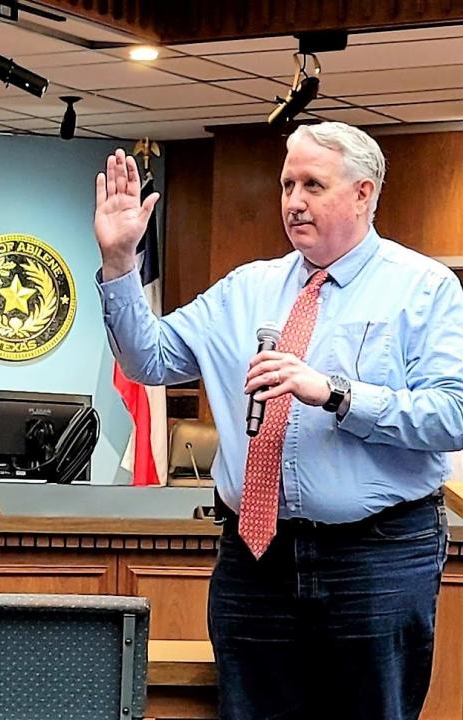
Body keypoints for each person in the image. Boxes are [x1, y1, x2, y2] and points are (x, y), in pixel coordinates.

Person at [94, 122, 463, 720]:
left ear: (365, 194)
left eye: (313, 185)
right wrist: (118, 264)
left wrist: (337, 394)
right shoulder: (247, 289)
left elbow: (454, 415)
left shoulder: (423, 289)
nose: (293, 201)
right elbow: (149, 360)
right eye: (287, 184)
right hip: (254, 557)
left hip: (375, 557)